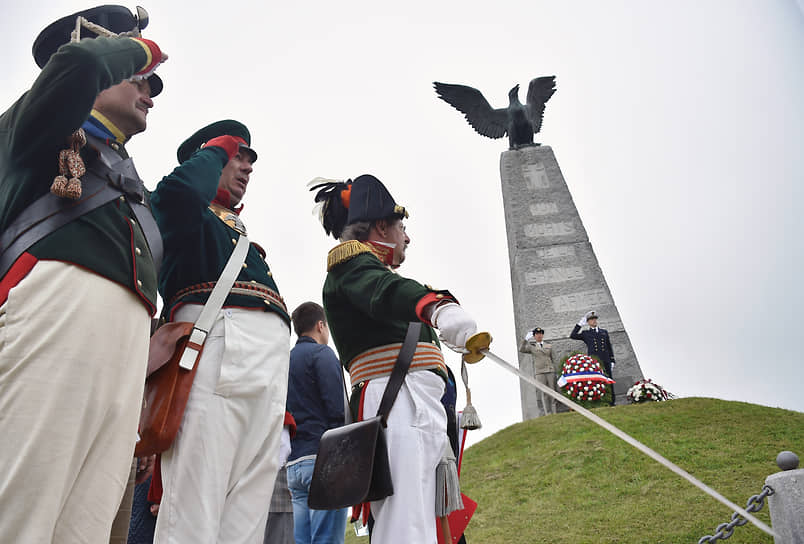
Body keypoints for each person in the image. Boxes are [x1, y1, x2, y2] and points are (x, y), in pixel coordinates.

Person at [0, 5, 166, 542]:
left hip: (116, 351)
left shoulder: (122, 169)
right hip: (51, 320)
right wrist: (145, 46)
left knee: (88, 526)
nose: (151, 88)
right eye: (140, 76)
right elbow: (73, 66)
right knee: (23, 509)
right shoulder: (38, 119)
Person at [311, 174, 478, 543]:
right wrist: (437, 308)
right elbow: (388, 292)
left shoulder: (376, 274)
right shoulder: (351, 265)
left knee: (427, 524)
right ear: (381, 226)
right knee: (406, 526)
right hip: (396, 401)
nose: (406, 236)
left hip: (415, 401)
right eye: (401, 226)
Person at [150, 120, 290, 543]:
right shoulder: (184, 211)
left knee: (245, 520)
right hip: (213, 348)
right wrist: (215, 149)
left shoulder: (236, 230)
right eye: (236, 157)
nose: (246, 167)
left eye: (249, 160)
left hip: (264, 364)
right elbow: (176, 194)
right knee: (194, 509)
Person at [285, 301, 348, 544]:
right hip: (322, 458)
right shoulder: (322, 354)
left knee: (303, 540)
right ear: (321, 325)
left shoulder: (285, 360)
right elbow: (336, 409)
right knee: (327, 539)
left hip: (294, 463)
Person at [570, 311, 616, 405]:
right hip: (595, 360)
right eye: (591, 319)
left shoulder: (604, 332)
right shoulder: (586, 333)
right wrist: (579, 325)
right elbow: (573, 335)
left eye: (595, 319)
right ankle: (601, 401)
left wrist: (612, 360)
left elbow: (608, 346)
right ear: (588, 322)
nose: (594, 321)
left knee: (608, 380)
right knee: (597, 381)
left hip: (606, 359)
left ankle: (612, 401)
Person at [519, 327, 557, 415]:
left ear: (542, 335)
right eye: (536, 334)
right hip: (540, 372)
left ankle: (555, 412)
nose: (539, 335)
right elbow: (521, 349)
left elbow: (553, 359)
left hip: (550, 370)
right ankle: (548, 413)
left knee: (553, 392)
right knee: (544, 393)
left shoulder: (549, 346)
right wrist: (525, 340)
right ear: (534, 336)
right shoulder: (532, 347)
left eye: (540, 334)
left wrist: (555, 371)